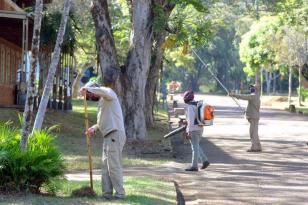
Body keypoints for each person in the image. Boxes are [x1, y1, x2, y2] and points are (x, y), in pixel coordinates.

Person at [79, 67, 126, 199]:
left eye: (91, 93)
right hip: (108, 136)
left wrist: (88, 89)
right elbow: (102, 121)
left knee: (113, 165)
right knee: (105, 167)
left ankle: (120, 194)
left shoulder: (109, 93)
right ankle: (106, 193)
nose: (90, 96)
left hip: (115, 134)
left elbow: (104, 91)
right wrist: (94, 128)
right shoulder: (102, 103)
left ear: (95, 89)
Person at [229, 84, 262, 152]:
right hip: (254, 116)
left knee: (252, 133)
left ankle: (254, 147)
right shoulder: (256, 96)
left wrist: (234, 95)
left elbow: (244, 97)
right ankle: (258, 146)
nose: (251, 88)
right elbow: (251, 106)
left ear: (256, 89)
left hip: (253, 117)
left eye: (253, 88)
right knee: (254, 132)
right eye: (251, 87)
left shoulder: (254, 96)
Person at [183, 90, 210, 171]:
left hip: (193, 130)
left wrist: (188, 131)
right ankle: (205, 160)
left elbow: (191, 121)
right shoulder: (197, 104)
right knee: (196, 146)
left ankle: (194, 166)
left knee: (194, 148)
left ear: (186, 98)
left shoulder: (190, 107)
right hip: (200, 128)